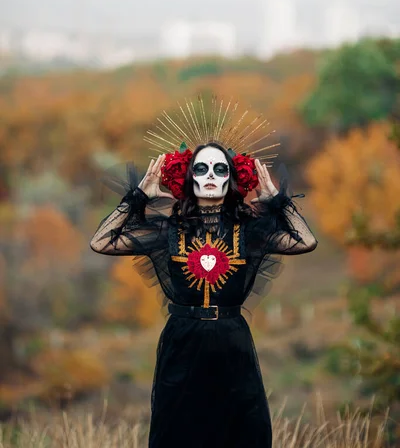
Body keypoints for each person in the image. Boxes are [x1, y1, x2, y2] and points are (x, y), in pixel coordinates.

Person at [90, 100, 318, 448]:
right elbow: (102, 241)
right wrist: (137, 197)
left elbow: (305, 240)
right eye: (201, 169)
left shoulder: (249, 230)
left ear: (231, 180)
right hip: (183, 342)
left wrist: (277, 201)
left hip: (232, 342)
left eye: (219, 169)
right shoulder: (168, 230)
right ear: (188, 178)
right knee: (181, 431)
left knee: (239, 430)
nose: (210, 176)